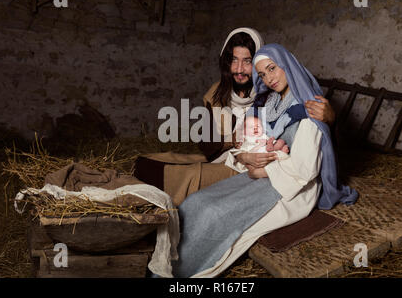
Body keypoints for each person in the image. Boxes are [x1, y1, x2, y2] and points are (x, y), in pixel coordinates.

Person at [163, 43, 358, 278]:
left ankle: (184, 274)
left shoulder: (309, 108)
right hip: (257, 173)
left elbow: (304, 170)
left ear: (288, 65)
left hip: (291, 187)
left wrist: (261, 172)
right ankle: (165, 265)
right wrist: (246, 156)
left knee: (214, 213)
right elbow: (245, 141)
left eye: (272, 68)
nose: (269, 78)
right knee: (195, 203)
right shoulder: (266, 103)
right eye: (263, 74)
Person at [133, 28, 336, 206]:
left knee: (187, 175)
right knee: (155, 162)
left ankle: (151, 197)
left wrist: (329, 117)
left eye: (247, 61)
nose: (239, 69)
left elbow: (310, 134)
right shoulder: (215, 94)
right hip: (228, 156)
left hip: (250, 161)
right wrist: (233, 143)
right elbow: (206, 144)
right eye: (234, 60)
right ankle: (140, 187)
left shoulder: (268, 93)